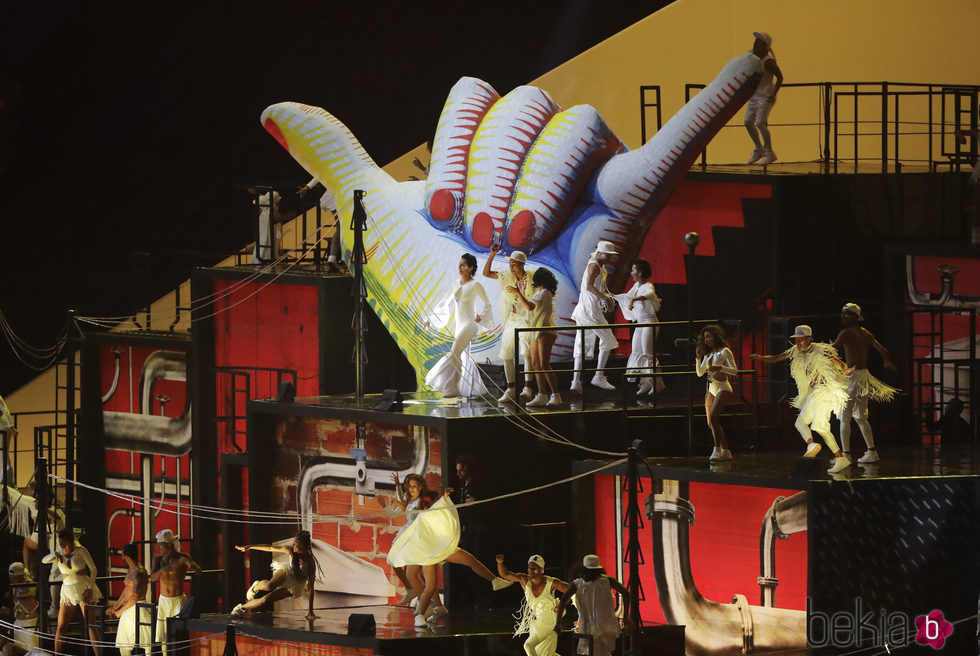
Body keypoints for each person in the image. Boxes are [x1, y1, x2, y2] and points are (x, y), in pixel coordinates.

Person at [386, 488, 511, 627]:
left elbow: (440, 514)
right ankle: (420, 614)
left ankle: (495, 580)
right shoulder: (424, 516)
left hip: (442, 548)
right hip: (428, 554)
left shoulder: (433, 515)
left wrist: (444, 499)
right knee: (430, 586)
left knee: (470, 560)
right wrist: (444, 498)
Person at [750, 325, 854, 474]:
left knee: (819, 427)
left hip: (824, 392)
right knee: (800, 423)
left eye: (802, 340)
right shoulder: (795, 351)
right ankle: (811, 445)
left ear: (809, 339)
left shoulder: (820, 350)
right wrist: (761, 358)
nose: (799, 343)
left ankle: (840, 458)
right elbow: (776, 358)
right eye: (797, 340)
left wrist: (844, 367)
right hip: (814, 392)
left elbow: (839, 362)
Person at [832, 303, 898, 464]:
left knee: (845, 418)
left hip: (853, 378)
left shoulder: (846, 333)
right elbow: (883, 350)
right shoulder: (865, 333)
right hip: (864, 377)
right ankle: (871, 452)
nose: (843, 316)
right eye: (843, 313)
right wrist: (886, 362)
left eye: (846, 314)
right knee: (860, 417)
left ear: (855, 317)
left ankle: (846, 455)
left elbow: (832, 349)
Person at [424, 253, 493, 397]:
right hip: (459, 326)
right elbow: (444, 302)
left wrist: (482, 316)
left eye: (463, 265)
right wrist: (430, 319)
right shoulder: (455, 283)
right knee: (464, 358)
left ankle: (452, 387)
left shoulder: (476, 285)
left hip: (470, 324)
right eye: (459, 265)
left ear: (471, 268)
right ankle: (474, 389)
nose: (460, 268)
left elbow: (487, 303)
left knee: (455, 353)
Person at [483, 244, 535, 403]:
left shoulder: (532, 279)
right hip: (512, 319)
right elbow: (486, 273)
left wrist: (519, 293)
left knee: (527, 354)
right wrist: (492, 255)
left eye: (514, 265)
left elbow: (535, 302)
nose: (511, 268)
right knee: (506, 353)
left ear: (522, 265)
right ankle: (511, 388)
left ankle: (528, 388)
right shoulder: (506, 276)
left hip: (526, 320)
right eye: (510, 264)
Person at [231, 530, 319, 618]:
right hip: (287, 573)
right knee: (269, 586)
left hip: (295, 584)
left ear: (302, 546)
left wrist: (310, 610)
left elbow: (311, 587)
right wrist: (249, 547)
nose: (293, 545)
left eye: (296, 543)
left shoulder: (310, 563)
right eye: (294, 543)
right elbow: (269, 547)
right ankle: (256, 586)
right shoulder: (290, 550)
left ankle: (240, 608)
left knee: (265, 600)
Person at [43, 528, 103, 656]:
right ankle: (57, 654)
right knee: (61, 627)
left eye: (65, 545)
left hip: (83, 587)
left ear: (72, 542)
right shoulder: (59, 553)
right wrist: (56, 554)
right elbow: (44, 560)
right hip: (68, 591)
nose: (64, 548)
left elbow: (93, 570)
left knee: (91, 625)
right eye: (61, 545)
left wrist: (90, 589)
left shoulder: (81, 551)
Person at [554, 555, 630, 656]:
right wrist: (625, 617)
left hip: (588, 627)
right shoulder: (608, 580)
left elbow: (563, 601)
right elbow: (625, 593)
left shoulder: (577, 584)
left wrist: (558, 623)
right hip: (606, 626)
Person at [570, 241, 619, 393]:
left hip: (588, 309)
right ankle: (598, 376)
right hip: (590, 311)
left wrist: (610, 298)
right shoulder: (594, 265)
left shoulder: (599, 266)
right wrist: (604, 299)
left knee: (582, 344)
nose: (610, 258)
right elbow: (589, 286)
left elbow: (599, 288)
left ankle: (576, 382)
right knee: (608, 340)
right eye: (608, 255)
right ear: (599, 253)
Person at [496, 554, 569, 656]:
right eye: (529, 567)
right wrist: (500, 563)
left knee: (528, 646)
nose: (530, 570)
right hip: (539, 621)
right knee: (545, 654)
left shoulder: (551, 582)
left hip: (550, 619)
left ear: (541, 569)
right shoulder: (524, 580)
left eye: (534, 568)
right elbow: (505, 574)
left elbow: (571, 590)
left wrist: (562, 605)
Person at [511, 267, 563, 406]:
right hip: (536, 329)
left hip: (545, 329)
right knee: (536, 364)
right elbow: (531, 309)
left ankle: (556, 395)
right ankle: (542, 394)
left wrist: (518, 293)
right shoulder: (540, 293)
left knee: (544, 363)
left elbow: (529, 306)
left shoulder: (544, 293)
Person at [614, 258, 664, 396]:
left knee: (647, 354)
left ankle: (657, 383)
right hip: (641, 324)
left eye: (634, 270)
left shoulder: (648, 286)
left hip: (650, 322)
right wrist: (611, 296)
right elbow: (626, 296)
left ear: (640, 273)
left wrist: (635, 300)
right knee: (636, 351)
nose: (631, 273)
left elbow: (649, 294)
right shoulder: (636, 286)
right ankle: (645, 383)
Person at [380, 472, 429, 605]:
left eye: (414, 486)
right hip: (407, 534)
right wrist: (384, 505)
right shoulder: (410, 500)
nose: (411, 489)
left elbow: (411, 511)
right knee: (394, 562)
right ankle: (411, 591)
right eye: (409, 486)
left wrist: (400, 502)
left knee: (418, 574)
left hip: (416, 537)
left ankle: (425, 603)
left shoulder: (423, 501)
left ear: (420, 487)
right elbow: (395, 511)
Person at [149, 529, 201, 653]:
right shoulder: (158, 560)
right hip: (164, 600)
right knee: (163, 635)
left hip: (178, 600)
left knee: (179, 632)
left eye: (161, 545)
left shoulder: (182, 558)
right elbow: (151, 578)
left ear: (169, 545)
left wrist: (191, 565)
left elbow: (199, 570)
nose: (159, 548)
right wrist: (163, 570)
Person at [695, 324, 738, 461]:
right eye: (705, 337)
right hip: (711, 389)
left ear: (715, 336)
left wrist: (720, 367)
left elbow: (735, 370)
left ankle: (716, 449)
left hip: (723, 387)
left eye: (709, 336)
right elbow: (700, 373)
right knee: (711, 422)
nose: (706, 339)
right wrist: (698, 358)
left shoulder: (725, 351)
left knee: (713, 417)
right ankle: (725, 450)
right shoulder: (708, 355)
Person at [745, 32, 784, 166]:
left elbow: (780, 77)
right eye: (755, 42)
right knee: (747, 122)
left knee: (760, 123)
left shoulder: (768, 62)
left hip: (765, 97)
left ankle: (770, 152)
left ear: (765, 47)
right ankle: (759, 148)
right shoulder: (753, 58)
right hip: (754, 96)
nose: (755, 45)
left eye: (759, 43)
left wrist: (773, 93)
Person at [107, 543, 151, 656]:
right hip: (128, 609)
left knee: (147, 644)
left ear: (126, 556)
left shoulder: (139, 572)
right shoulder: (131, 570)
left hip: (138, 608)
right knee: (124, 644)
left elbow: (135, 596)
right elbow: (126, 592)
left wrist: (119, 612)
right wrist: (115, 607)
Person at [7, 562, 38, 649]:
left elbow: (26, 602)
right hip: (18, 623)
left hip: (29, 623)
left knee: (31, 651)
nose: (10, 578)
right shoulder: (14, 587)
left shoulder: (29, 587)